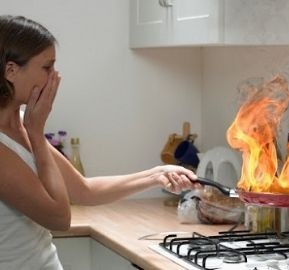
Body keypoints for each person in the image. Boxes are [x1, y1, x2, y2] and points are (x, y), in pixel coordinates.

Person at [0, 15, 199, 270]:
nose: (55, 77)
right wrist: (37, 135)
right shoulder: (23, 133)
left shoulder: (21, 124)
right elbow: (59, 218)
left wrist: (157, 174)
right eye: (47, 67)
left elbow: (83, 190)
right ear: (11, 71)